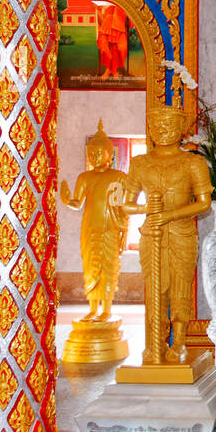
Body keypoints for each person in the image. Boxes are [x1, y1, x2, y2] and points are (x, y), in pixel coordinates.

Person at [120, 106, 213, 364]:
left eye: (169, 124)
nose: (162, 129)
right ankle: (156, 343)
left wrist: (170, 215)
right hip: (152, 234)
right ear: (149, 128)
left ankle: (180, 342)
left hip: (181, 233)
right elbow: (126, 204)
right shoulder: (141, 163)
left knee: (180, 288)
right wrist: (145, 209)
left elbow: (204, 202)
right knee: (154, 289)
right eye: (157, 124)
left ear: (181, 129)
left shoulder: (193, 162)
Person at [60, 121, 128, 322]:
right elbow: (77, 203)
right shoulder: (84, 177)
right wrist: (66, 199)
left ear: (110, 153)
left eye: (99, 153)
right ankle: (92, 309)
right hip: (90, 228)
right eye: (91, 153)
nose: (94, 157)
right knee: (91, 268)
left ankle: (106, 309)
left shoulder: (119, 177)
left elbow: (124, 208)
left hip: (111, 228)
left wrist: (124, 232)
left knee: (108, 268)